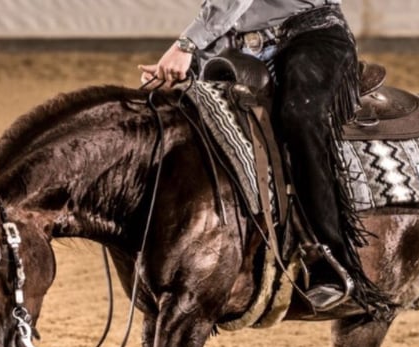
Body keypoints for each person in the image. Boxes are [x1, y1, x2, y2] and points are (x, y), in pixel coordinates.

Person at [139, 1, 390, 316]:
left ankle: (330, 258)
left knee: (301, 117)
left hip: (311, 36)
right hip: (239, 45)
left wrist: (186, 45)